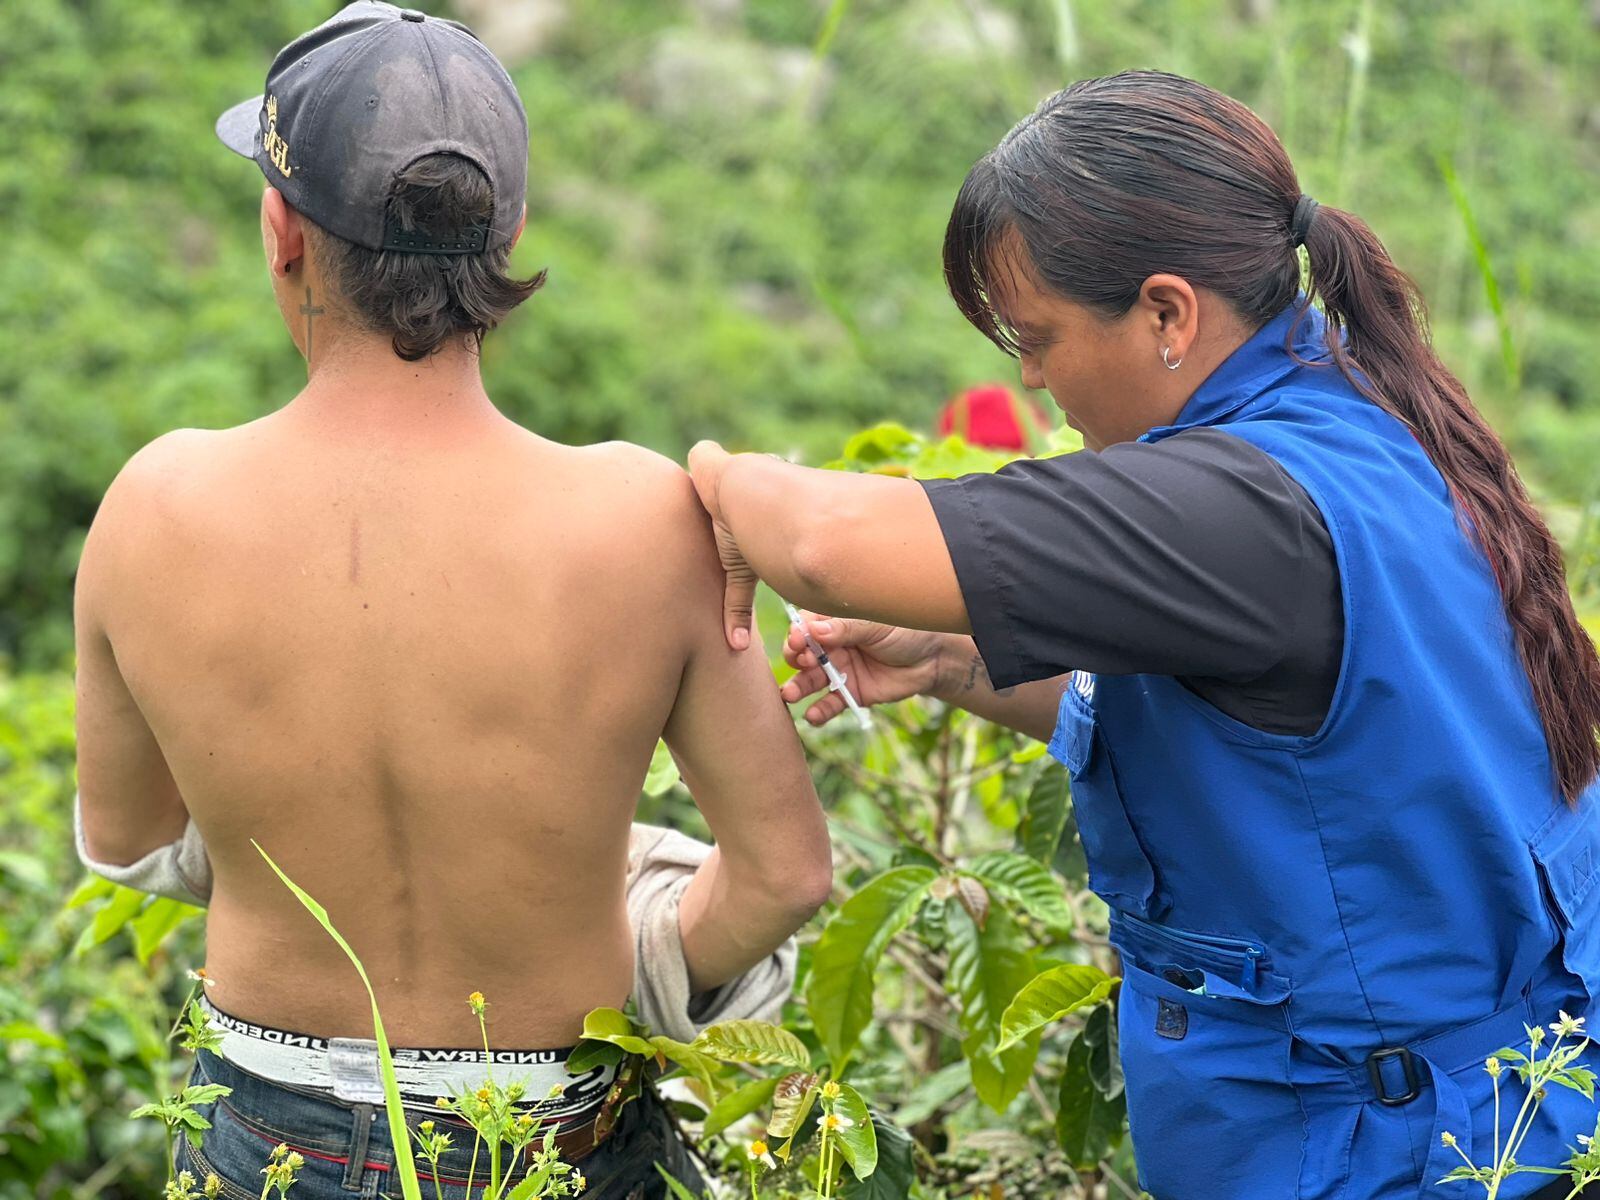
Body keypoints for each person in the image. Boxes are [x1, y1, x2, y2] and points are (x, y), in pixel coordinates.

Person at [687, 71, 1600, 1200]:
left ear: (1167, 313)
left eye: (1038, 336)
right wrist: (948, 661)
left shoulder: (1239, 502)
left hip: (1383, 1153)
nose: (1028, 375)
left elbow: (823, 542)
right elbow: (1283, 737)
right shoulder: (1349, 407)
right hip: (1486, 1110)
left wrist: (713, 478)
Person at [71, 5, 832, 1197]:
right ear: (509, 231)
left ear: (282, 230)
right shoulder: (646, 521)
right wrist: (641, 948)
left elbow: (124, 844)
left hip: (263, 1137)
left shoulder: (153, 507)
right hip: (554, 1136)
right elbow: (786, 873)